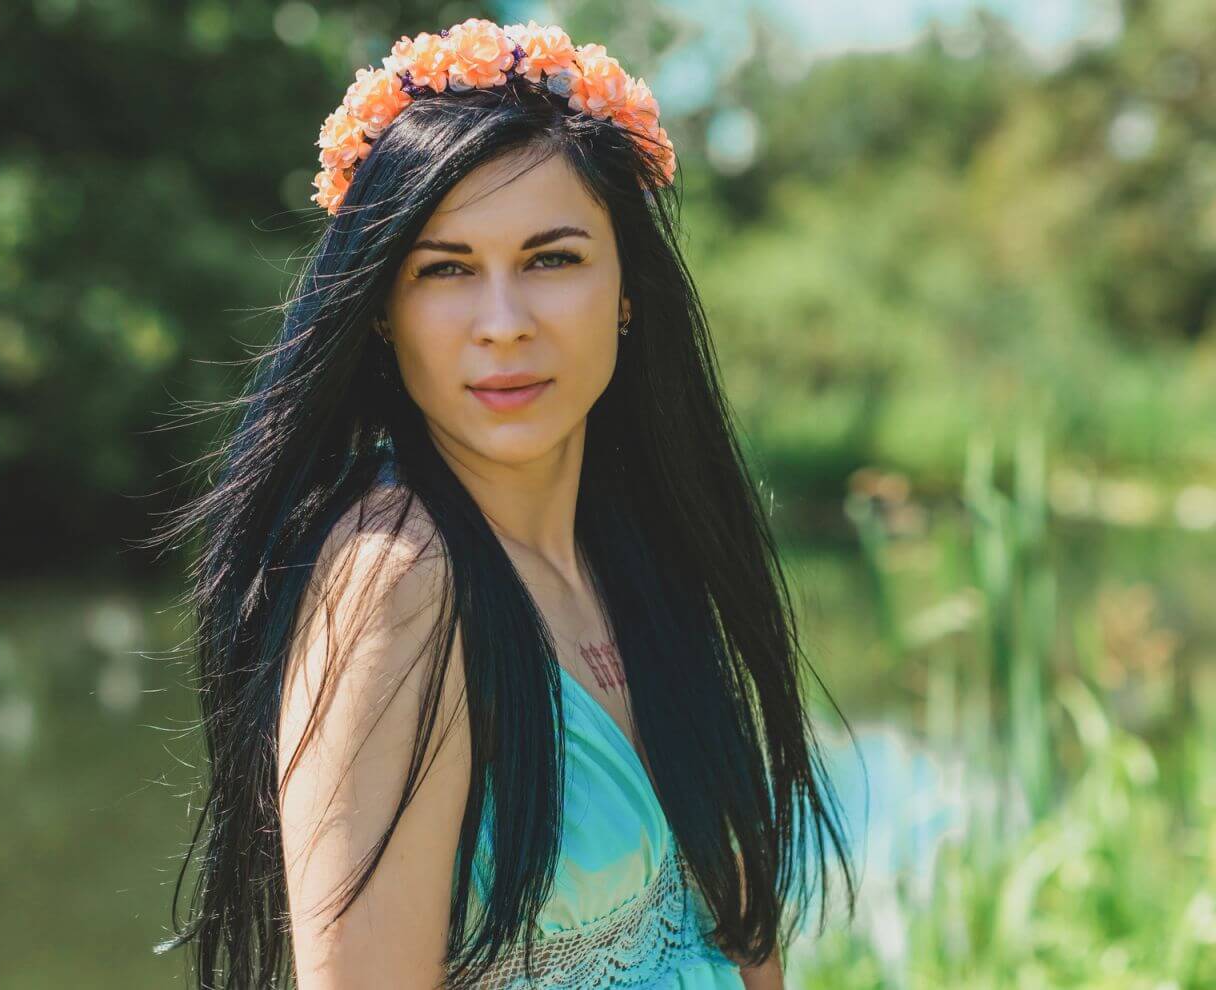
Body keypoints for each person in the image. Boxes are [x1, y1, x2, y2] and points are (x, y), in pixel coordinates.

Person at [149, 17, 857, 989]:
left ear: (625, 292)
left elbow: (744, 947)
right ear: (384, 312)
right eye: (446, 270)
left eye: (551, 259)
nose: (502, 325)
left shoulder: (646, 550)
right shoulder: (399, 584)